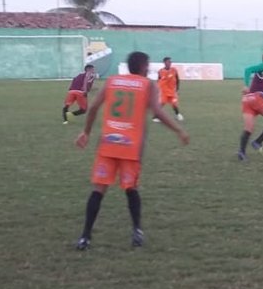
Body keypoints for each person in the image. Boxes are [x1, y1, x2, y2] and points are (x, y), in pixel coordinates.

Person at [74, 51, 189, 250]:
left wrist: (86, 132)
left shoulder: (112, 81)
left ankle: (85, 236)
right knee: (130, 189)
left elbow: (92, 108)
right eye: (148, 65)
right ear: (143, 67)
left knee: (98, 190)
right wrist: (178, 130)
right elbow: (158, 112)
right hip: (131, 147)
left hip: (108, 144)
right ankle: (136, 231)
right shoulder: (147, 86)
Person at [153, 57, 183, 122]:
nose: (170, 63)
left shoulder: (174, 70)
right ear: (164, 63)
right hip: (164, 91)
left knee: (174, 103)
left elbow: (177, 79)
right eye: (168, 62)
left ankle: (178, 115)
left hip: (172, 91)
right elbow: (158, 80)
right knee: (162, 103)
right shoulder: (161, 71)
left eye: (170, 62)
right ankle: (155, 117)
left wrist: (177, 88)